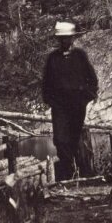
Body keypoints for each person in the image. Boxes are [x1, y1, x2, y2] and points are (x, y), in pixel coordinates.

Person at [41, 21, 98, 181]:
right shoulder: (53, 58)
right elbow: (46, 82)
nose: (64, 41)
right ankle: (66, 173)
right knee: (60, 139)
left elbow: (91, 79)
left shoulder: (80, 55)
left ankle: (76, 172)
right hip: (59, 106)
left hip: (77, 105)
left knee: (74, 138)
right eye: (61, 39)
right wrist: (50, 100)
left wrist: (86, 97)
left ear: (72, 38)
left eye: (67, 38)